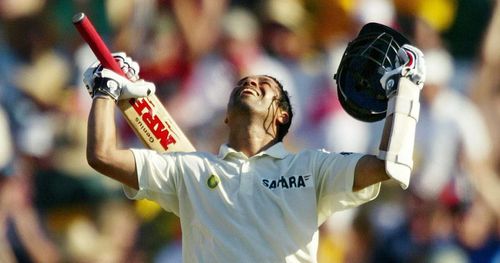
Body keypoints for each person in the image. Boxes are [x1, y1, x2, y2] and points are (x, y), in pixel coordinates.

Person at [82, 43, 425, 262]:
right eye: (243, 84)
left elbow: (388, 166)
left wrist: (405, 91)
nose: (251, 83)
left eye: (265, 85)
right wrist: (105, 91)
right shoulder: (189, 171)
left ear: (282, 116)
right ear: (227, 115)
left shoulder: (311, 167)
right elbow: (103, 155)